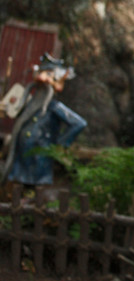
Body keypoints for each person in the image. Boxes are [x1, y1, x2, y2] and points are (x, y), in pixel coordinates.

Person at [1, 54, 87, 185]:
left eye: (48, 74)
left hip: (39, 158)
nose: (42, 78)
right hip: (20, 156)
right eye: (41, 73)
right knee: (16, 187)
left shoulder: (54, 107)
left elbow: (79, 123)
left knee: (35, 190)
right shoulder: (29, 103)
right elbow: (13, 111)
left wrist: (59, 145)